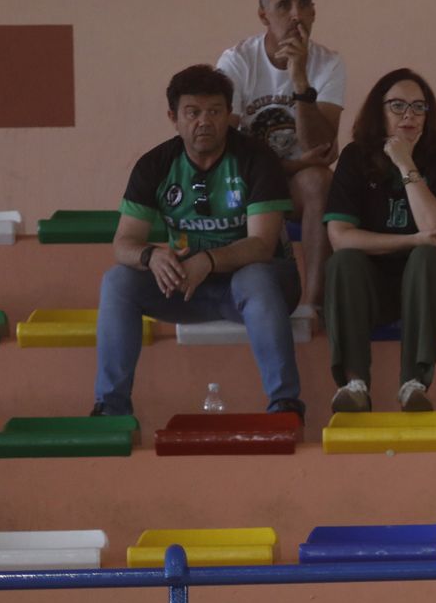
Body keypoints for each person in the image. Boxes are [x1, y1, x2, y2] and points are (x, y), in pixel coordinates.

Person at [93, 65, 304, 419]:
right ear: (173, 117)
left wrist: (207, 260)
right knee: (118, 280)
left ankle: (285, 404)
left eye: (214, 111)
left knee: (254, 276)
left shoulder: (256, 159)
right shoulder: (155, 164)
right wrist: (151, 256)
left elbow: (261, 246)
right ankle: (110, 408)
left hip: (256, 287)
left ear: (228, 115)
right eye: (193, 112)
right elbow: (123, 243)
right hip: (186, 287)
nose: (204, 121)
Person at [324, 69, 436, 413]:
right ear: (379, 111)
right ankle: (354, 384)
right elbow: (340, 238)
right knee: (344, 263)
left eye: (419, 107)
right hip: (376, 287)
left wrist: (405, 163)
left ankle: (413, 384)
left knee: (425, 257)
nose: (410, 115)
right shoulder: (355, 158)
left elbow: (435, 229)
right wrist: (411, 240)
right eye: (398, 106)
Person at [216, 0, 346, 318]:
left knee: (320, 181)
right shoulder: (237, 62)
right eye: (284, 5)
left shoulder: (328, 64)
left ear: (314, 11)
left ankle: (313, 303)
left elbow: (319, 145)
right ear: (263, 15)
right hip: (246, 182)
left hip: (295, 184)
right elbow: (224, 150)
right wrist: (294, 164)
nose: (296, 15)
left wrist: (300, 80)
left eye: (304, 4)